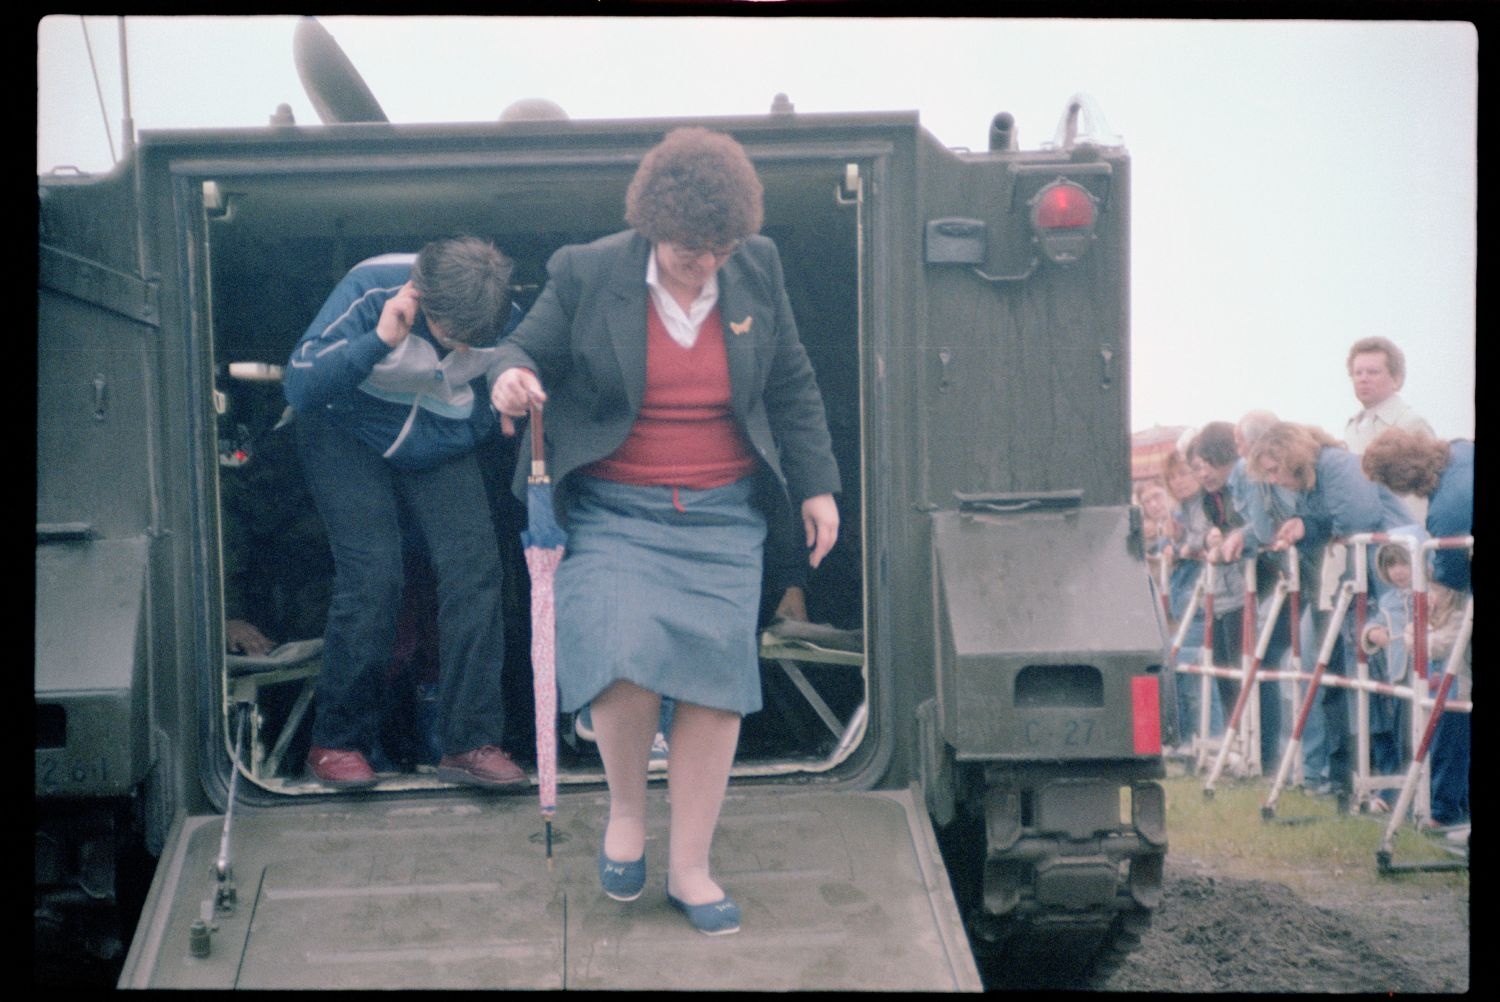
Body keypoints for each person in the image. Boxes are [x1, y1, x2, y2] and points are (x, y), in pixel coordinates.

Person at [489, 128, 840, 936]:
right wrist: (511, 378)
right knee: (620, 658)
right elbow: (519, 349)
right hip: (614, 511)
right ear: (652, 227)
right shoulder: (590, 269)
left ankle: (690, 868)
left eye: (721, 248)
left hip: (721, 517)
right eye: (690, 249)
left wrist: (818, 484)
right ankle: (623, 811)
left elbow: (790, 382)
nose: (706, 263)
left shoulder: (758, 268)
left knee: (716, 693)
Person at [284, 237, 528, 790]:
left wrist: (474, 426)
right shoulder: (371, 286)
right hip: (344, 429)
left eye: (474, 339)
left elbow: (504, 389)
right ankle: (336, 742)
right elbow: (299, 383)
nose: (460, 345)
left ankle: (468, 742)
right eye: (450, 333)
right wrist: (377, 340)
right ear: (421, 296)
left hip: (439, 437)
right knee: (373, 575)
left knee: (477, 572)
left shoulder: (504, 316)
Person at [1247, 422, 1413, 808]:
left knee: (1393, 678)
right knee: (1358, 683)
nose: (1274, 480)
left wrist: (1309, 526)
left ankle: (1395, 786)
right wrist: (1304, 527)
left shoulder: (1336, 465)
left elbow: (1359, 518)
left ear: (1292, 456)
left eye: (1274, 470)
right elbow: (1331, 528)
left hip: (1389, 573)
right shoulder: (1311, 483)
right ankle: (1361, 783)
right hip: (1359, 579)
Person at [1361, 428, 1473, 827]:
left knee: (1453, 711)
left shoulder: (1445, 511)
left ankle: (1443, 811)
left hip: (1453, 641)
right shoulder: (1461, 449)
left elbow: (1453, 573)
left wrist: (1419, 636)